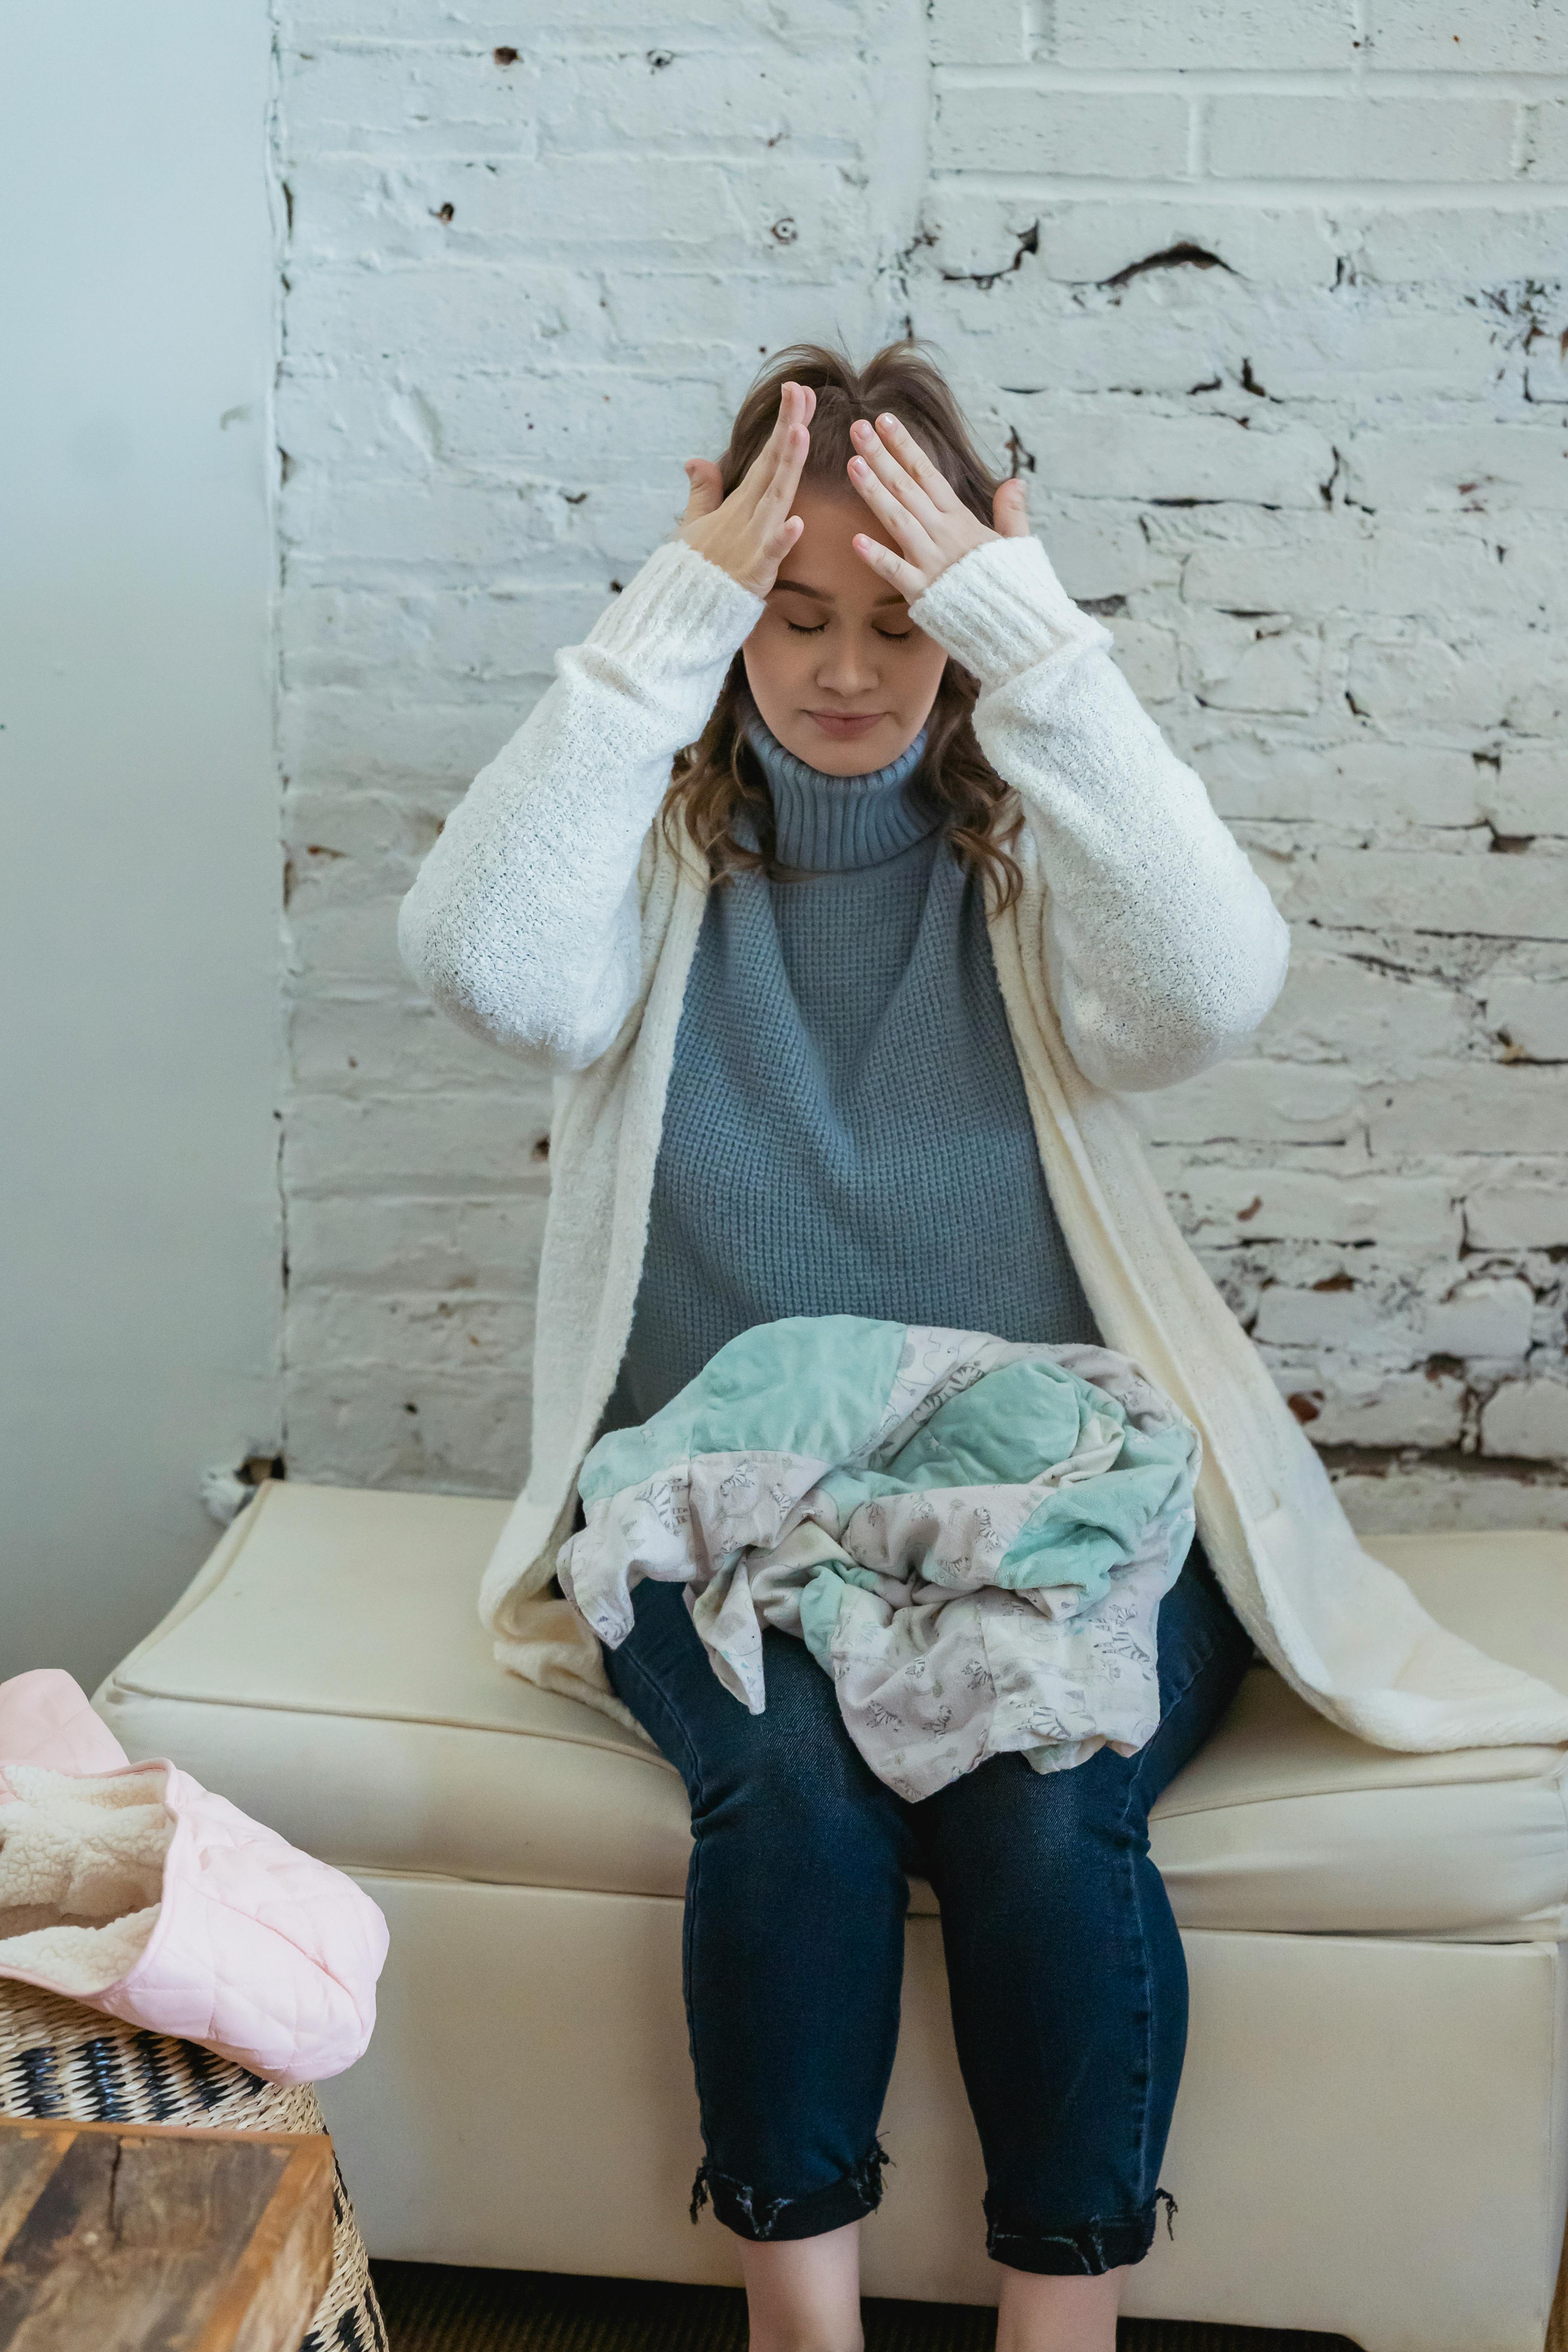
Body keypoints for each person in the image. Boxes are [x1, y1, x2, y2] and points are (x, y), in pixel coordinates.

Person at [399, 340, 1289, 2352]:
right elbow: (475, 965)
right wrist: (667, 623)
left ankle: (1057, 2335)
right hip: (727, 1509)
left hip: (1052, 1500)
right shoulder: (640, 861)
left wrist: (1036, 647)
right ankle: (798, 2331)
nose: (844, 670)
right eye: (788, 615)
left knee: (1036, 1788)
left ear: (968, 619)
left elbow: (1216, 987)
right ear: (719, 608)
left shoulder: (1036, 861)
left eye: (901, 620)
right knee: (793, 1796)